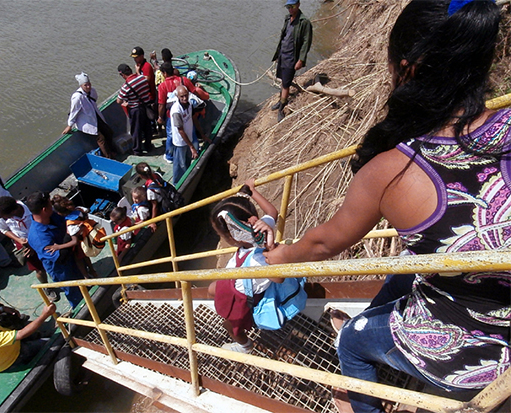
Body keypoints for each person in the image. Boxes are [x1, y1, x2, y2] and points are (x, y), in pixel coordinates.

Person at [264, 1, 510, 411]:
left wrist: (278, 258)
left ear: (408, 69)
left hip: (480, 359)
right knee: (404, 271)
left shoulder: (391, 172)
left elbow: (324, 245)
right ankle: (387, 320)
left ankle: (368, 361)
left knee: (354, 343)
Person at [208, 179, 282, 354]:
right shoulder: (259, 229)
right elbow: (272, 212)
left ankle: (245, 346)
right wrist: (251, 191)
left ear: (233, 236)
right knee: (212, 289)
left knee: (231, 326)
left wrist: (270, 249)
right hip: (245, 286)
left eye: (222, 235)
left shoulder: (259, 258)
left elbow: (279, 277)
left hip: (243, 301)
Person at [0, 196, 59, 302]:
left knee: (55, 260)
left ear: (14, 210)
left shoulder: (32, 209)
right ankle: (47, 286)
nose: (1, 218)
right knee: (38, 269)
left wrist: (34, 244)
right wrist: (18, 239)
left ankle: (65, 279)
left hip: (43, 238)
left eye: (4, 217)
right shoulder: (1, 217)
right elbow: (3, 229)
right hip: (24, 243)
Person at [26, 191, 84, 309]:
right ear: (44, 210)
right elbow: (60, 257)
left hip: (72, 258)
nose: (52, 206)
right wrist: (71, 234)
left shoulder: (52, 216)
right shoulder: (38, 236)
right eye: (49, 204)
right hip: (61, 269)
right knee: (74, 293)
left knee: (83, 282)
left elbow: (65, 221)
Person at [157, 62, 209, 163]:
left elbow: (161, 104)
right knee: (190, 130)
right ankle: (195, 151)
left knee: (171, 135)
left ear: (164, 73)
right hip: (187, 111)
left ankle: (169, 156)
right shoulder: (183, 80)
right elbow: (194, 92)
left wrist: (160, 117)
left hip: (171, 115)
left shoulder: (163, 86)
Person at [271, 0, 313, 122]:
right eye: (288, 6)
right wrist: (278, 54)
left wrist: (301, 59)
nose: (290, 9)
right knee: (282, 80)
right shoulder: (287, 19)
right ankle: (280, 102)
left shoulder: (304, 22)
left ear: (298, 5)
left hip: (291, 58)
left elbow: (306, 42)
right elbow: (283, 37)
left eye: (292, 6)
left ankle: (281, 110)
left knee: (286, 84)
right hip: (283, 55)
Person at [62, 72, 114, 159]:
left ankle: (112, 151)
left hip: (95, 116)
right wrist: (70, 125)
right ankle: (109, 157)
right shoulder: (77, 97)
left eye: (89, 84)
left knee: (109, 132)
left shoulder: (92, 91)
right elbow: (74, 111)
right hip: (87, 121)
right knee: (101, 139)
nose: (88, 87)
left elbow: (95, 99)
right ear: (81, 85)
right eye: (86, 85)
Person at [49, 195, 98, 279]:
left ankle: (86, 276)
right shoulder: (79, 209)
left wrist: (58, 247)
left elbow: (74, 241)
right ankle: (92, 271)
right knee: (86, 256)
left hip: (78, 242)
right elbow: (87, 211)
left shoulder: (70, 224)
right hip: (85, 236)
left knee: (78, 259)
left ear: (60, 213)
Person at [170, 85, 208, 185]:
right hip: (181, 143)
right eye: (182, 96)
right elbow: (180, 130)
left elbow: (194, 119)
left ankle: (187, 180)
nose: (185, 98)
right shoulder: (176, 111)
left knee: (187, 162)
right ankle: (177, 185)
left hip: (189, 138)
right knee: (179, 165)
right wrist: (191, 147)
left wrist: (202, 135)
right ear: (177, 96)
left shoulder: (189, 104)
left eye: (186, 95)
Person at [117, 63, 154, 155]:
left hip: (135, 110)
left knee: (136, 130)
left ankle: (137, 150)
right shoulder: (142, 78)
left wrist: (127, 101)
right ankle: (148, 146)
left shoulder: (126, 86)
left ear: (122, 74)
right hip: (146, 106)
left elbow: (119, 101)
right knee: (147, 128)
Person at [135, 162, 163, 232]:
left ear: (141, 176)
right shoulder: (156, 175)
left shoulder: (150, 190)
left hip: (161, 206)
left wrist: (152, 221)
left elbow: (155, 205)